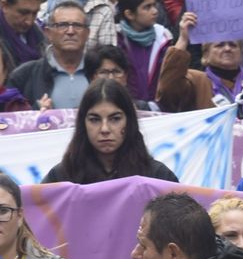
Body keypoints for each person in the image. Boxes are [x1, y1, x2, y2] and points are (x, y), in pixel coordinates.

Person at [41, 78, 176, 183]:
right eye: (95, 120)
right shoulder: (62, 177)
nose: (104, 129)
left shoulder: (157, 176)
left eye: (115, 119)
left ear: (129, 122)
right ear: (83, 124)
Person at [156, 14, 243, 113]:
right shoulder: (196, 80)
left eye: (233, 45)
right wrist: (183, 39)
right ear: (206, 54)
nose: (227, 48)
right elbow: (167, 91)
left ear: (240, 52)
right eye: (220, 45)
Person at [11, 0, 90, 106]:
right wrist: (37, 112)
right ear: (48, 33)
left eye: (77, 25)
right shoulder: (24, 76)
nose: (71, 31)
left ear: (87, 33)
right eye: (63, 25)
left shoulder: (100, 72)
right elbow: (9, 119)